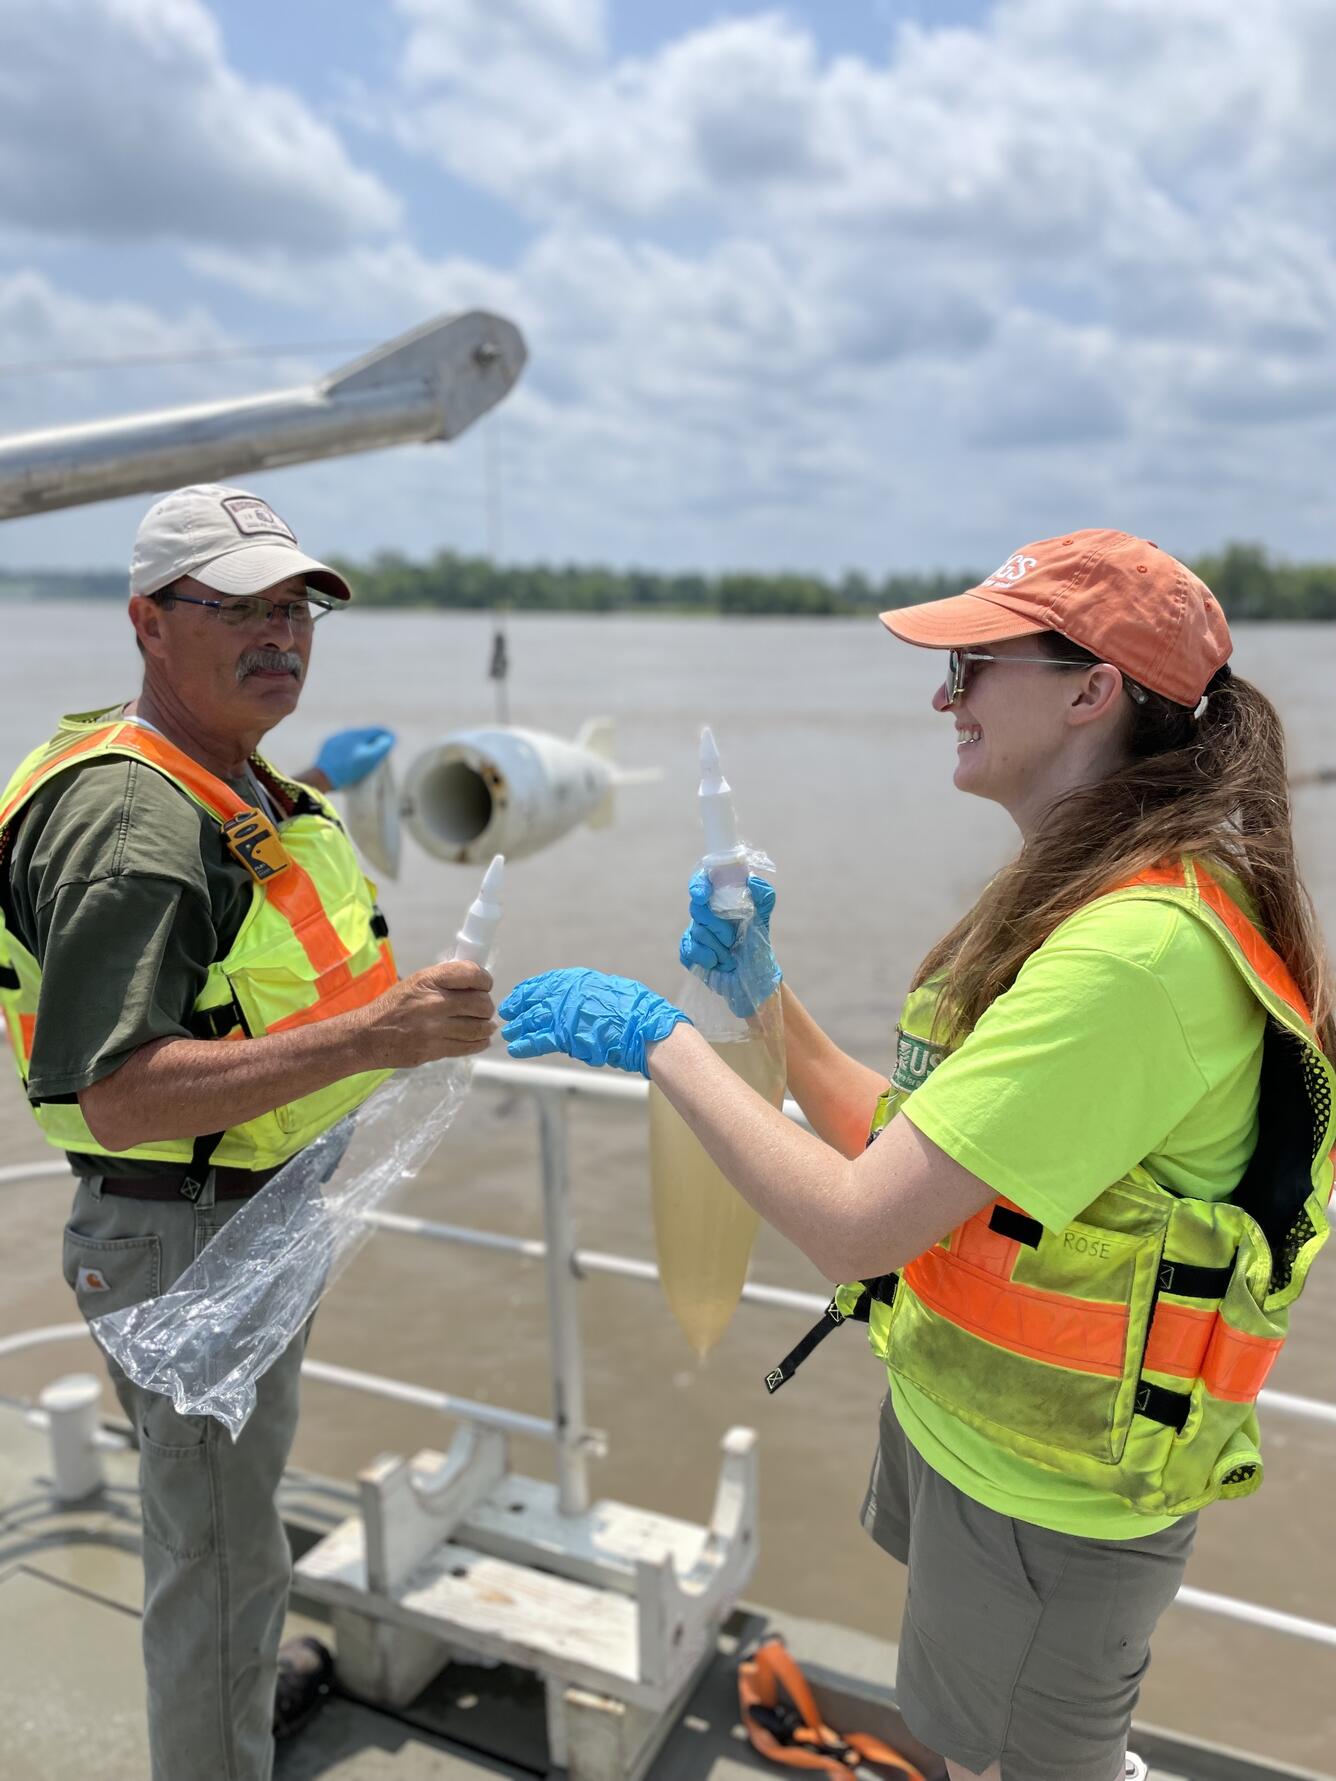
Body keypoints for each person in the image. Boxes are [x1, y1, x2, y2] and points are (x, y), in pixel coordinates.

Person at [496, 530, 1335, 1781]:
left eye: (973, 667)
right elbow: (912, 1143)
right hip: (986, 1450)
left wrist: (657, 1037)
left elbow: (853, 1224)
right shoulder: (1086, 890)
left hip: (1049, 1509)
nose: (941, 696)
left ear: (1089, 689)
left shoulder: (1133, 951)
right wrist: (763, 997)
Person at [0, 483, 496, 1781]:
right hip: (186, 1243)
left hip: (243, 1221)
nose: (281, 635)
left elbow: (227, 930)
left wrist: (323, 785)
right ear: (149, 622)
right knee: (218, 1568)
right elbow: (118, 1090)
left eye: (296, 608)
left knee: (232, 1527)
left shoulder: (212, 772)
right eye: (240, 609)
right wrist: (378, 1039)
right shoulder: (133, 824)